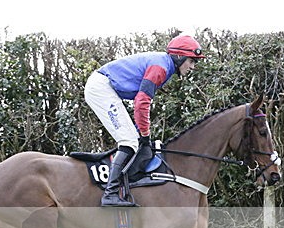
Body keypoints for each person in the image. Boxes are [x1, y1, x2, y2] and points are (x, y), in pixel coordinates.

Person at [84, 35, 205, 207]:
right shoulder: (160, 67)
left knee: (134, 139)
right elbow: (142, 102)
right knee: (129, 142)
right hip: (101, 88)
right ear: (179, 56)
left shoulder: (165, 65)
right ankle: (110, 194)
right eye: (191, 61)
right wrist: (145, 134)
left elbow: (140, 103)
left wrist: (141, 132)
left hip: (105, 87)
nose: (193, 67)